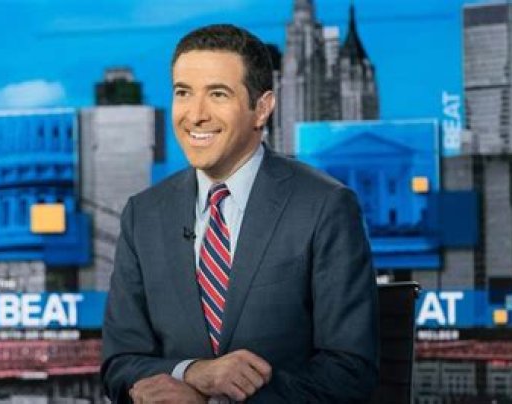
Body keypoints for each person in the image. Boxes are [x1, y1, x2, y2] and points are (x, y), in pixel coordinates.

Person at [101, 24, 379, 403]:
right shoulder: (143, 214)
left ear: (261, 108)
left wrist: (210, 402)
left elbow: (350, 372)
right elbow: (119, 365)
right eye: (183, 93)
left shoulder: (325, 206)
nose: (195, 115)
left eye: (218, 94)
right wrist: (194, 373)